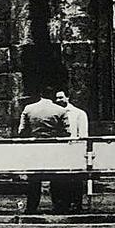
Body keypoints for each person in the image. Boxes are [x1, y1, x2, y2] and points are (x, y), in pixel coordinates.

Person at [19, 85, 72, 213]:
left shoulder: (29, 109)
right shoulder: (60, 111)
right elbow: (67, 132)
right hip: (54, 148)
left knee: (33, 179)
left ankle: (31, 207)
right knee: (56, 177)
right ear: (53, 96)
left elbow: (21, 131)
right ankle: (59, 207)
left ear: (40, 94)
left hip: (34, 148)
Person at [54, 90, 89, 212]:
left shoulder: (78, 113)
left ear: (68, 97)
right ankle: (61, 205)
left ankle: (76, 204)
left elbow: (83, 134)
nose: (59, 100)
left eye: (61, 97)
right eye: (57, 98)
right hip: (60, 151)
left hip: (74, 150)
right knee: (60, 180)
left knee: (75, 179)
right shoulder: (54, 113)